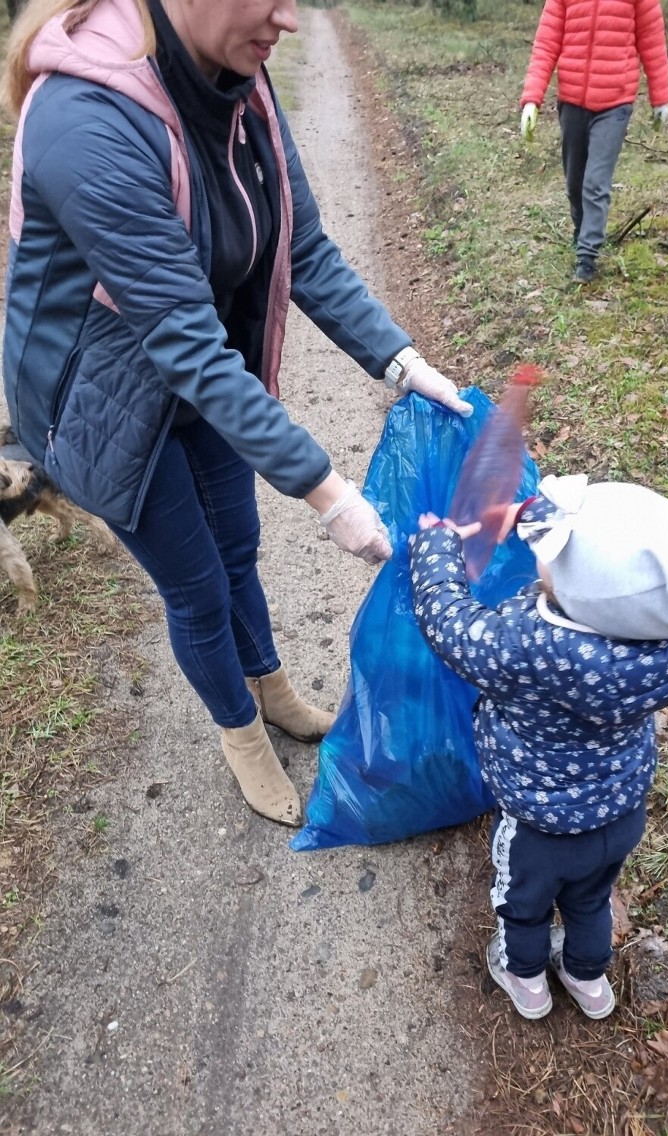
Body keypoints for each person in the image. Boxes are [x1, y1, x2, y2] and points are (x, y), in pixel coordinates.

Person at [2, 0, 472, 828]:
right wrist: (330, 494)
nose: (290, 20)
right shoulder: (85, 119)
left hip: (203, 369)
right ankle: (240, 733)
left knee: (240, 549)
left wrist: (403, 363)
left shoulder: (240, 76)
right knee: (197, 589)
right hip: (101, 407)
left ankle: (274, 688)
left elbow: (306, 249)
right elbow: (182, 341)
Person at [408, 474, 668, 1019]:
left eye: (554, 552)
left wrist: (438, 550)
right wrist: (527, 513)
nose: (542, 549)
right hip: (620, 815)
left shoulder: (525, 649)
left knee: (523, 907)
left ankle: (524, 978)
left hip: (539, 828)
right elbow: (603, 561)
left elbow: (451, 626)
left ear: (572, 588)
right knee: (590, 900)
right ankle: (587, 980)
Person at [519, 0, 668, 284]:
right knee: (575, 182)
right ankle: (581, 229)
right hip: (573, 101)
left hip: (616, 102)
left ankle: (587, 256)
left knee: (595, 182)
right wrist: (532, 98)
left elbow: (652, 40)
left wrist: (660, 96)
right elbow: (546, 43)